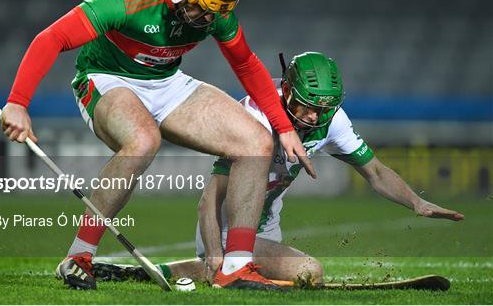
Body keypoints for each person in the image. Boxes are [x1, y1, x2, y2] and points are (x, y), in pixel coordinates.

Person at [0, 0, 315, 291]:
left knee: (257, 140)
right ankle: (79, 256)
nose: (206, 20)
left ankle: (235, 268)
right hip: (106, 76)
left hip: (165, 80)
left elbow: (245, 64)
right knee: (143, 141)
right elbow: (53, 38)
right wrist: (18, 102)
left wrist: (284, 128)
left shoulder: (214, 6)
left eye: (213, 14)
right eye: (200, 9)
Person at [92, 51, 465, 287]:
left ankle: (148, 272)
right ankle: (212, 265)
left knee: (236, 270)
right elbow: (209, 199)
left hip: (266, 228)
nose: (314, 117)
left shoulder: (329, 120)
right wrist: (216, 251)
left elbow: (377, 173)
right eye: (306, 106)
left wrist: (417, 203)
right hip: (225, 227)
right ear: (285, 90)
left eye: (324, 109)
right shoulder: (253, 115)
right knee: (310, 273)